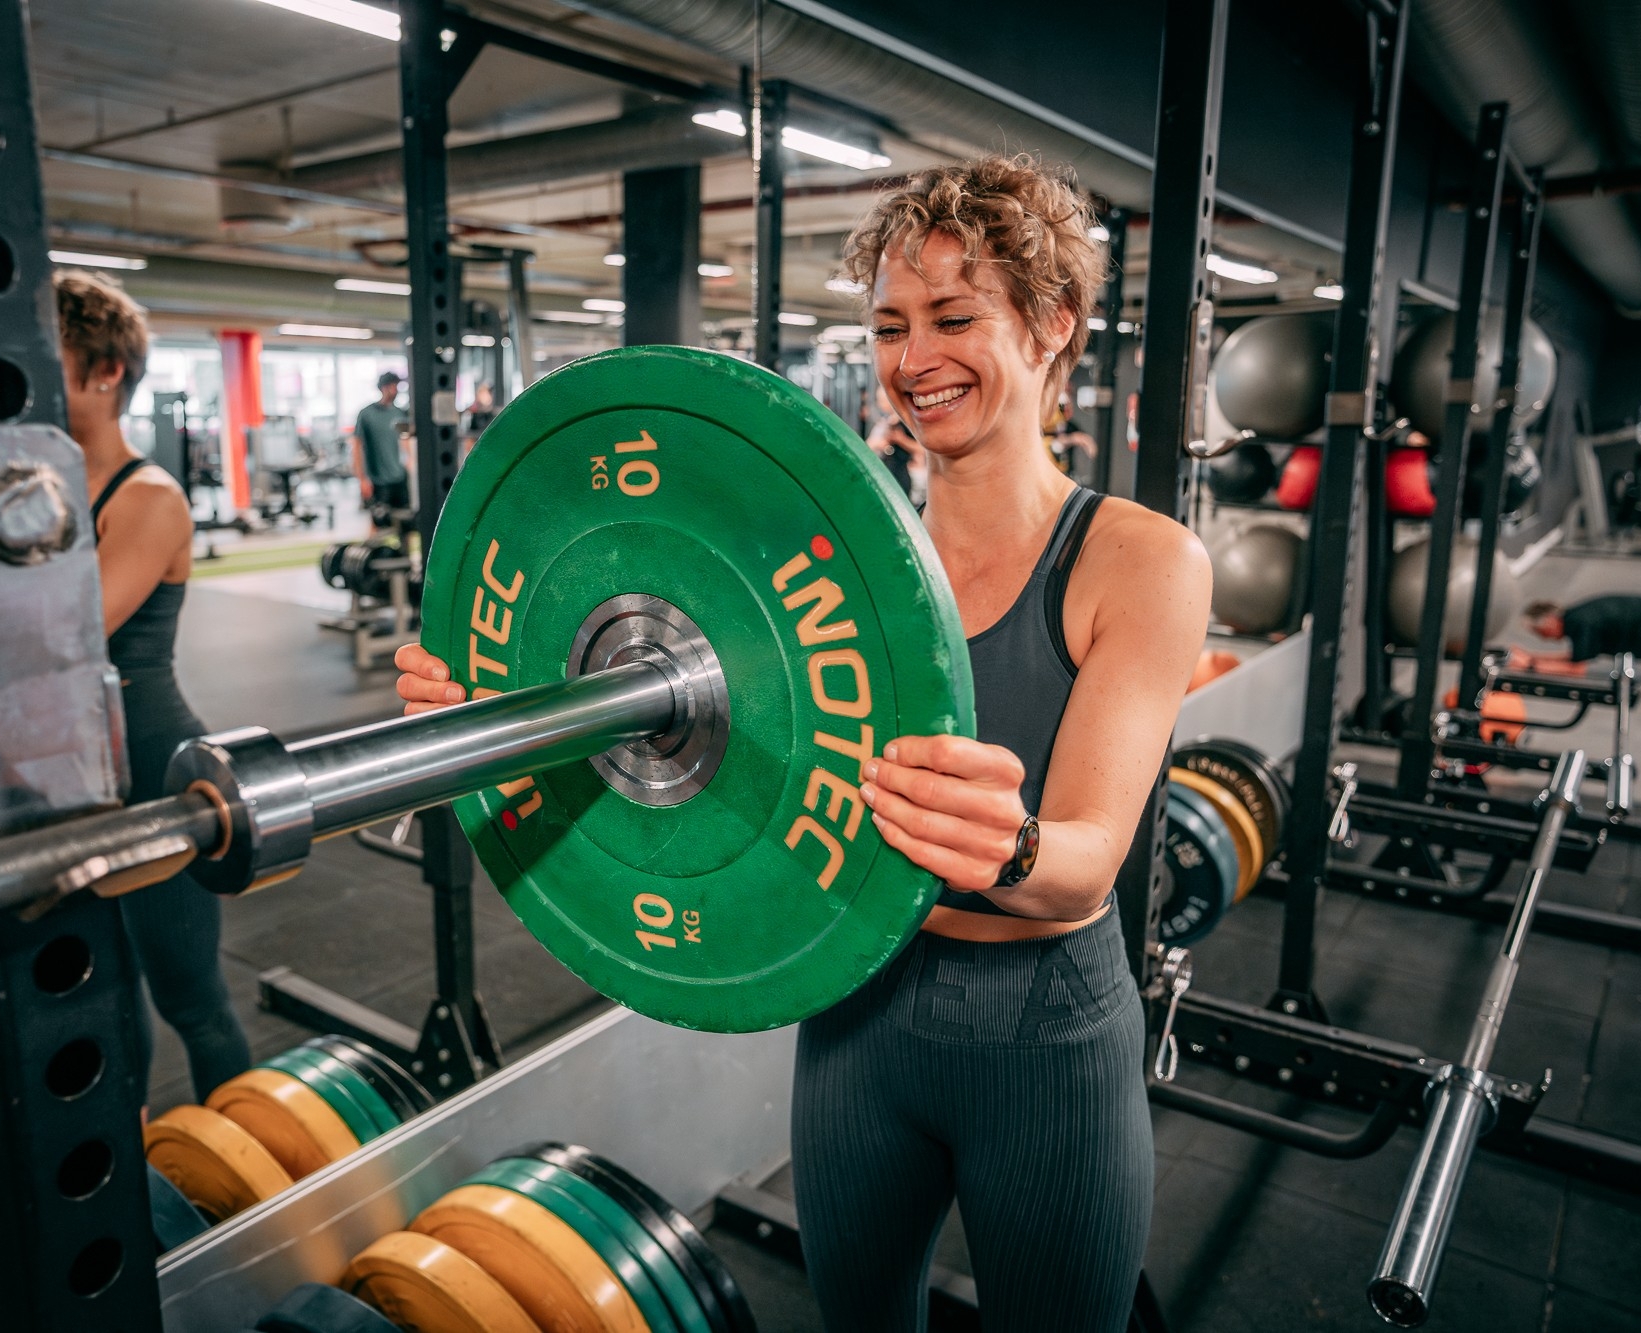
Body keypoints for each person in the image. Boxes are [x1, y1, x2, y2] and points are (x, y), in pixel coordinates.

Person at [393, 155, 1210, 1332]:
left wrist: (1012, 843)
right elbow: (691, 750)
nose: (912, 360)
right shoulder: (821, 561)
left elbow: (1084, 861)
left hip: (1044, 1033)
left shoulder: (1139, 561)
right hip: (857, 1018)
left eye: (952, 318)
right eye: (887, 326)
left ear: (1051, 327)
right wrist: (497, 714)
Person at [0, 271, 252, 1104]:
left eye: (43, 361)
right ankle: (131, 1172)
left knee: (190, 997)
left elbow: (73, 628)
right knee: (102, 1001)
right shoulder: (28, 498)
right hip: (57, 771)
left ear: (107, 371)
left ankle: (258, 1164)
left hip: (149, 769)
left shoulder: (149, 496)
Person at [1511, 595, 1641, 674]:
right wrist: (1532, 656)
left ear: (1550, 621)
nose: (1543, 638)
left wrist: (1529, 666)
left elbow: (1576, 668)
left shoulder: (1581, 623)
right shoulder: (1577, 617)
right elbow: (1576, 657)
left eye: (1540, 632)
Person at [354, 371, 411, 518]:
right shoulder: (366, 414)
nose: (395, 390)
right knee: (379, 521)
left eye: (397, 386)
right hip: (377, 480)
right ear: (383, 388)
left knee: (404, 520)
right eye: (392, 386)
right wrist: (362, 479)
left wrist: (410, 463)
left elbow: (405, 442)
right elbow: (357, 446)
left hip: (399, 477)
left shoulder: (399, 413)